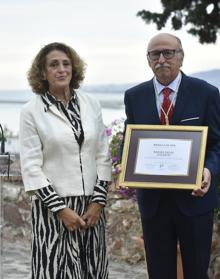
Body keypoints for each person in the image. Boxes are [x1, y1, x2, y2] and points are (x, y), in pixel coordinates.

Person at [122, 33, 220, 279]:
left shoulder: (206, 93)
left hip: (195, 201)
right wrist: (128, 164)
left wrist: (208, 171)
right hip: (154, 205)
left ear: (181, 57)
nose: (162, 59)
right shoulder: (134, 96)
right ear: (148, 60)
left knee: (197, 272)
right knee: (159, 272)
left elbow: (217, 144)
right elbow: (131, 143)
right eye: (155, 54)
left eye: (169, 53)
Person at [19, 42, 112, 279]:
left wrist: (98, 202)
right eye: (53, 65)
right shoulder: (31, 111)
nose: (61, 69)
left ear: (74, 68)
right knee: (54, 271)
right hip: (53, 210)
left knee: (93, 270)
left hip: (92, 208)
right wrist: (61, 210)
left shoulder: (92, 104)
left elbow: (102, 154)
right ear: (42, 73)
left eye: (66, 64)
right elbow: (31, 166)